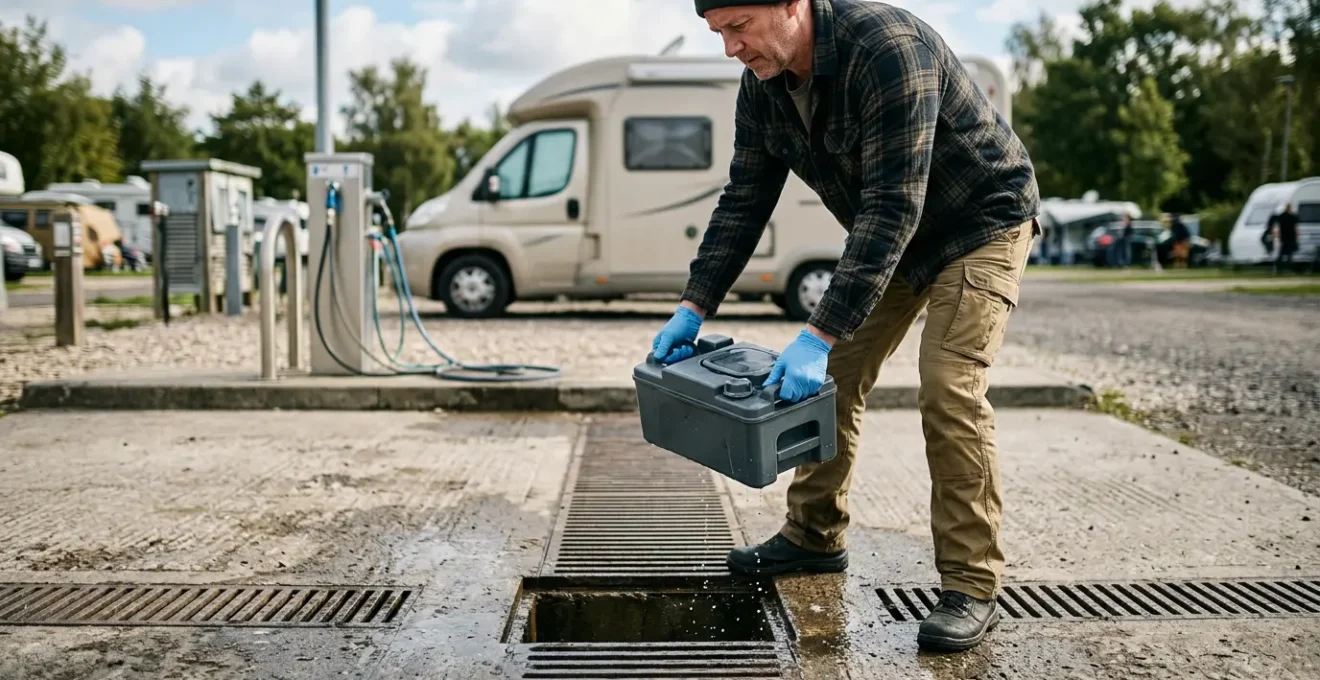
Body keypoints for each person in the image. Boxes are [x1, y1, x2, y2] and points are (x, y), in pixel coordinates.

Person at [651, 0, 1039, 653]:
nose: (731, 49)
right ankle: (814, 535)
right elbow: (744, 199)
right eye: (718, 33)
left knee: (949, 386)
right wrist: (694, 304)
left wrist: (819, 331)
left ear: (792, 4)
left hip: (979, 224)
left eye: (739, 27)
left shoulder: (888, 49)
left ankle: (972, 583)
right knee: (828, 377)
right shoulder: (763, 89)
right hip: (896, 240)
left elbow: (893, 202)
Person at [1267, 203, 1300, 273]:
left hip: (1284, 238)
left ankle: (1279, 268)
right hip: (1290, 237)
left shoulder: (1282, 216)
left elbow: (1276, 224)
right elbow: (1296, 227)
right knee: (1289, 254)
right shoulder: (1292, 216)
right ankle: (1287, 268)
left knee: (1282, 254)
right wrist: (1296, 236)